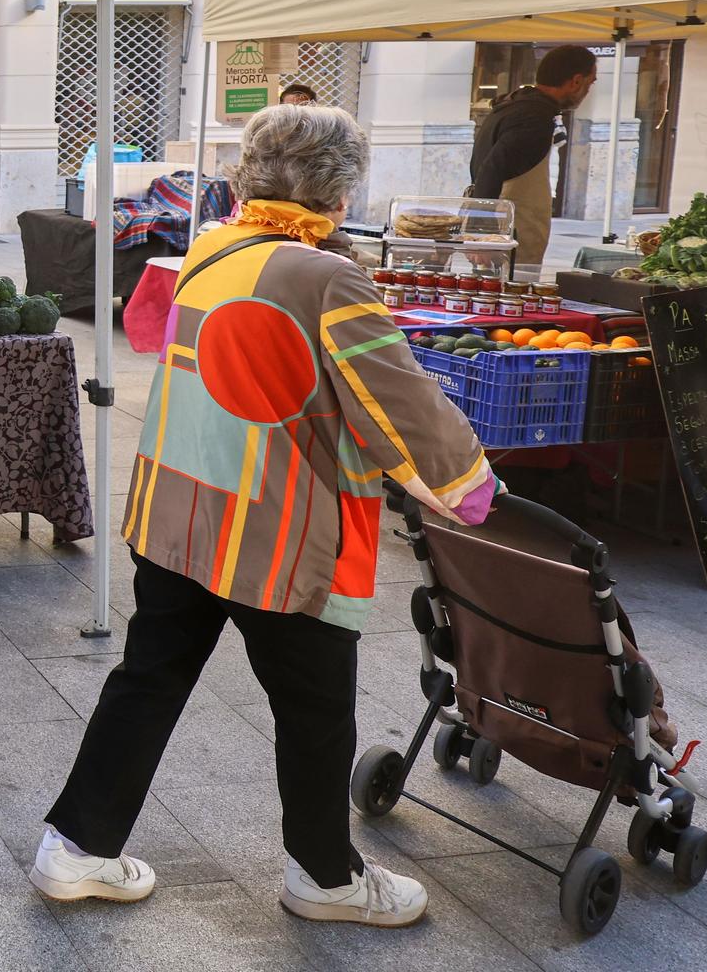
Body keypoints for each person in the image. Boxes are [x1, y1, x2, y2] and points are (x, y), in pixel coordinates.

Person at [32, 103, 496, 928]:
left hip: (179, 513)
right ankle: (326, 879)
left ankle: (74, 852)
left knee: (147, 680)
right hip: (277, 536)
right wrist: (469, 487)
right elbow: (400, 406)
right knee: (316, 710)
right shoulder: (325, 276)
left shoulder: (212, 248)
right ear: (340, 191)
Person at [468, 46, 597, 269]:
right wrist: (483, 233)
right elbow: (491, 168)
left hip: (506, 232)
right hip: (508, 234)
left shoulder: (514, 106)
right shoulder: (533, 116)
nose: (587, 92)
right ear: (576, 81)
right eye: (589, 83)